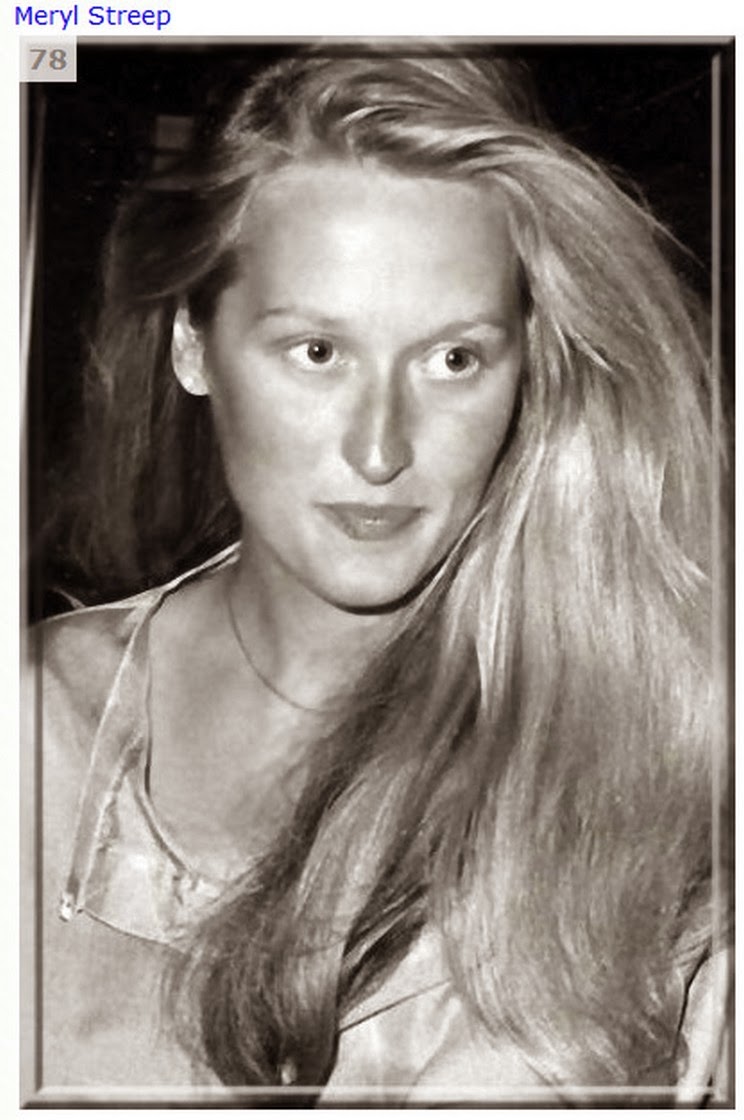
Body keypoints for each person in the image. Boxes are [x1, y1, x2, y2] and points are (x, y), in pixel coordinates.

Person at [32, 44, 729, 1103]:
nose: (381, 448)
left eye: (454, 359)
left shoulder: (657, 761)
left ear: (527, 371)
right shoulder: (33, 726)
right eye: (318, 352)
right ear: (193, 345)